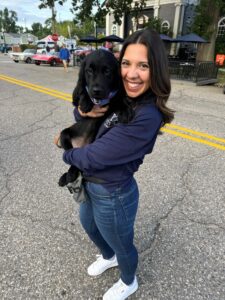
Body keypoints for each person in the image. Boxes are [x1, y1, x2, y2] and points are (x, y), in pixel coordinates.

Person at [60, 29, 174, 299]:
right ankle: (108, 257)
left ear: (155, 69)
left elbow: (95, 156)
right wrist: (81, 111)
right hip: (91, 184)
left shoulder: (147, 114)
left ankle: (128, 280)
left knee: (123, 244)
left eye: (143, 66)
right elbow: (89, 113)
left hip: (114, 193)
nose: (132, 74)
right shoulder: (122, 95)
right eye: (126, 63)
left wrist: (64, 150)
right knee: (90, 227)